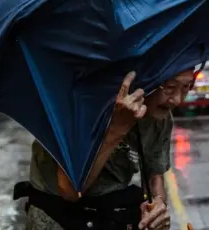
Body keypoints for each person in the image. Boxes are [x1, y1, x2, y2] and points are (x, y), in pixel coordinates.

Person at [19, 68, 195, 229]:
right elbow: (71, 191)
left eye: (187, 87)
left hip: (107, 215)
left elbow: (154, 177)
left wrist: (158, 205)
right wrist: (117, 128)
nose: (178, 100)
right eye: (170, 87)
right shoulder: (85, 104)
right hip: (54, 217)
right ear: (145, 79)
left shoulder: (161, 120)